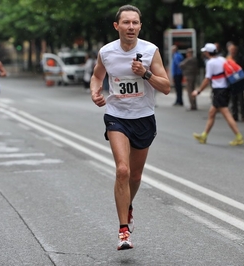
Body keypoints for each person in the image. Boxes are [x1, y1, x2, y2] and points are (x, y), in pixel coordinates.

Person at [90, 4, 170, 250]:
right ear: (117, 26)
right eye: (126, 22)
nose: (131, 27)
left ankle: (128, 205)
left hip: (143, 117)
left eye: (135, 23)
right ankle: (123, 230)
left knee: (135, 175)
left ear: (140, 26)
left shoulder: (150, 51)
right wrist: (95, 93)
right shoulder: (106, 52)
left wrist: (145, 74)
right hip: (117, 116)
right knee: (122, 170)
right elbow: (97, 76)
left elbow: (166, 87)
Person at [191, 43, 244, 146]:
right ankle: (204, 135)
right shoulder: (222, 59)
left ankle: (239, 136)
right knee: (211, 113)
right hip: (225, 89)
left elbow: (207, 79)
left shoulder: (210, 63)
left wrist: (198, 91)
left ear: (207, 52)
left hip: (219, 91)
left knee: (227, 114)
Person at [226, 42, 244, 122]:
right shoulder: (228, 58)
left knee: (241, 99)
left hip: (239, 80)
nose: (232, 51)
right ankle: (234, 115)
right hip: (232, 81)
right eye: (231, 50)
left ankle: (243, 115)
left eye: (233, 49)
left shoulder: (241, 58)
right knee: (233, 99)